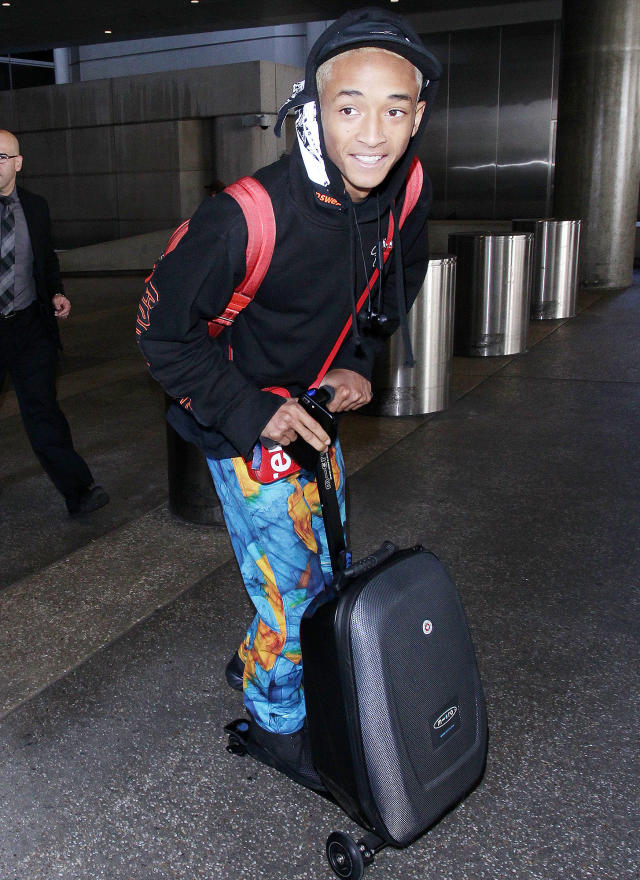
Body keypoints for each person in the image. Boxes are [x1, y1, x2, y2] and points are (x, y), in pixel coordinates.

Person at [137, 7, 441, 788]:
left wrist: (359, 359)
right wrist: (250, 412)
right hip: (236, 413)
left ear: (418, 115)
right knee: (300, 591)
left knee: (320, 562)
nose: (372, 133)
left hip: (311, 408)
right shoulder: (244, 216)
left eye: (394, 109)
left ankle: (258, 656)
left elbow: (390, 288)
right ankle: (276, 731)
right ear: (310, 109)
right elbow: (163, 336)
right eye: (349, 107)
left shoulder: (405, 192)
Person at [0, 129, 109, 517]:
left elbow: (46, 260)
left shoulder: (36, 207)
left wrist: (56, 292)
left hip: (30, 326)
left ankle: (79, 492)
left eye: (1, 157)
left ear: (18, 163)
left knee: (43, 412)